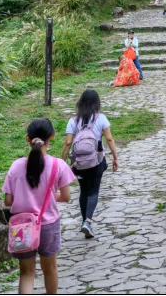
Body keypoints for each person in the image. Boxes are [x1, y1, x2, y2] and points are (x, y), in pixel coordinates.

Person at [3, 118, 76, 295]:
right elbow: (66, 197)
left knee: (26, 273)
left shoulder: (16, 166)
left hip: (22, 227)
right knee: (50, 269)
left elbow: (8, 201)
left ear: (27, 139)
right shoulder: (59, 165)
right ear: (52, 136)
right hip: (48, 225)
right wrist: (50, 197)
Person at [60, 90, 119, 238]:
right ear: (96, 103)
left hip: (79, 162)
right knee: (94, 191)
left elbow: (68, 142)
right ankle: (88, 222)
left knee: (84, 191)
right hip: (96, 161)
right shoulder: (101, 118)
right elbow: (109, 139)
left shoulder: (73, 120)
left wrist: (63, 162)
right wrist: (115, 157)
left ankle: (83, 222)